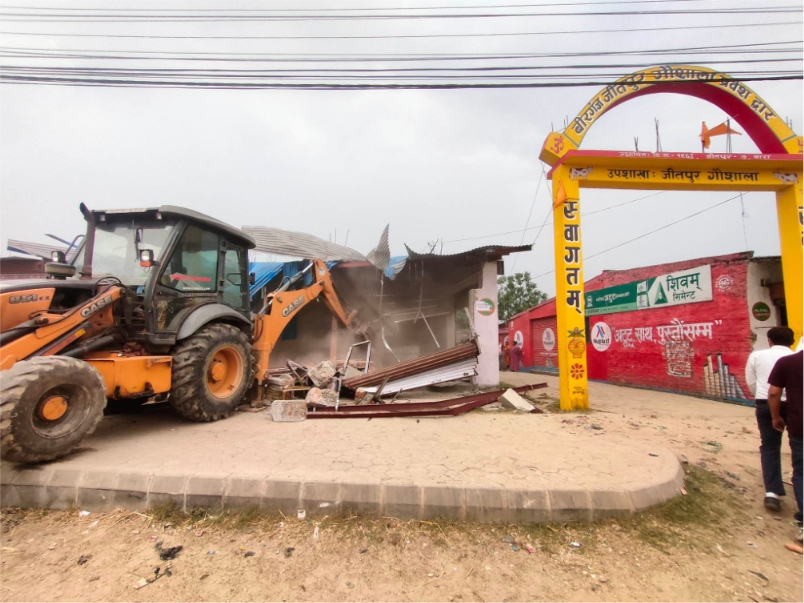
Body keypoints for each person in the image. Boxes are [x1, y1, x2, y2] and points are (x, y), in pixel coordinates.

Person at [745, 327, 796, 511]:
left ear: (769, 340)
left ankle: (772, 493)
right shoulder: (797, 357)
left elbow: (751, 381)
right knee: (798, 446)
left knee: (770, 446)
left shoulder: (757, 356)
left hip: (766, 403)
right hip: (795, 404)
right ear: (792, 341)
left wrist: (760, 397)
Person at [767, 349, 803, 525]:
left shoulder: (787, 362)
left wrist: (776, 417)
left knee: (802, 472)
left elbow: (774, 393)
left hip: (799, 426)